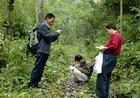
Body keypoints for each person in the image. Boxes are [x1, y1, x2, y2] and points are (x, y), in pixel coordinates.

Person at [28, 13, 63, 89]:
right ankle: (32, 85)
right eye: (52, 20)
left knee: (40, 69)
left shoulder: (46, 28)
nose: (52, 22)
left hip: (44, 51)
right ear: (47, 19)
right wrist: (56, 32)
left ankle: (35, 84)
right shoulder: (43, 26)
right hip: (41, 51)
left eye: (53, 21)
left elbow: (50, 38)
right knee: (38, 68)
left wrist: (57, 34)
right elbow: (47, 36)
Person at [96, 23, 123, 98]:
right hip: (109, 57)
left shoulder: (116, 35)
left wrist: (105, 48)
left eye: (108, 30)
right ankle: (104, 95)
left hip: (110, 57)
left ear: (111, 28)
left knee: (102, 75)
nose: (108, 32)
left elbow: (114, 46)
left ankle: (102, 95)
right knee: (106, 76)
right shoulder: (114, 36)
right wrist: (105, 47)